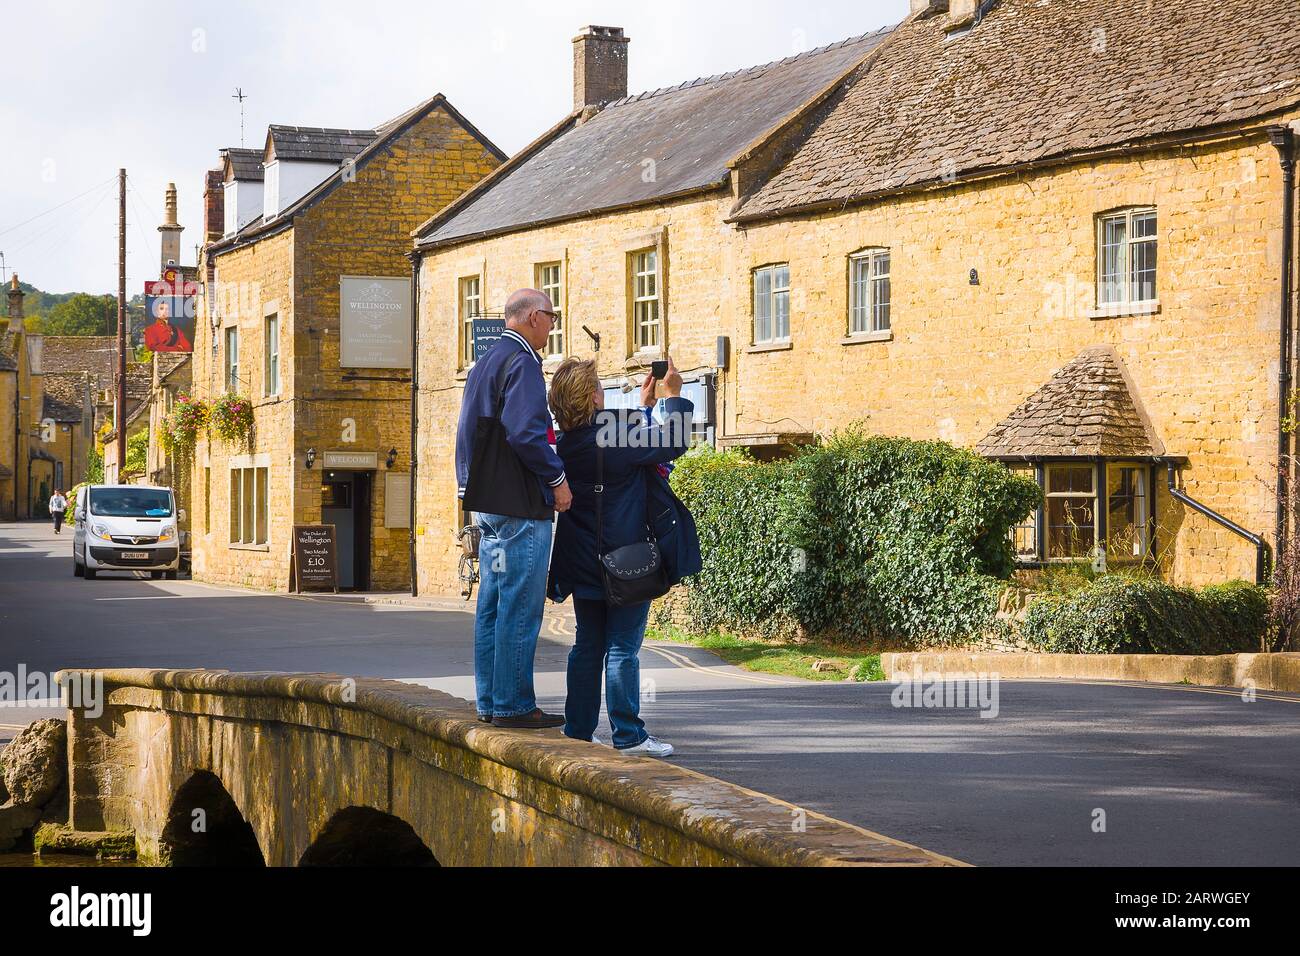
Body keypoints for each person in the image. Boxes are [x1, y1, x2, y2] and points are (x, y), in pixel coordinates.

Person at [546, 356, 700, 756]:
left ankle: (578, 731)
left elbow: (615, 444)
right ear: (591, 398)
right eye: (598, 386)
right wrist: (674, 396)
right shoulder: (617, 434)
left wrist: (644, 409)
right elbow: (674, 441)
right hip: (627, 560)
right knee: (622, 648)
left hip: (581, 560)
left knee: (587, 645)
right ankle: (628, 736)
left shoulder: (564, 446)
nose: (602, 390)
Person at [455, 288, 573, 729]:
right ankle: (514, 705)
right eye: (550, 315)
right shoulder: (521, 362)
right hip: (520, 506)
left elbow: (468, 434)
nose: (553, 324)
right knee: (521, 606)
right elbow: (526, 434)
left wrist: (468, 487)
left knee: (493, 602)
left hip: (488, 504)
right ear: (529, 317)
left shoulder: (484, 361)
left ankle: (489, 701)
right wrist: (557, 479)